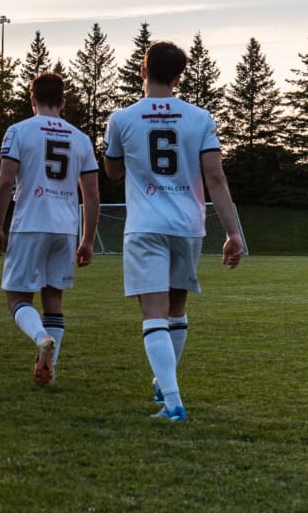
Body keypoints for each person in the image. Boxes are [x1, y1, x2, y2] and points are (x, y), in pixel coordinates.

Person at [104, 41, 243, 421]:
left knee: (152, 314)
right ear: (178, 77)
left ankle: (172, 401)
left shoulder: (122, 118)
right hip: (189, 224)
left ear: (142, 71)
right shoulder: (200, 118)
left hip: (146, 225)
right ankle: (162, 383)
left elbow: (113, 171)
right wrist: (234, 234)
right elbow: (215, 177)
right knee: (176, 310)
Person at [0, 72, 100, 385]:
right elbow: (91, 194)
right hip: (65, 227)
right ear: (63, 103)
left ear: (31, 98)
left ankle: (40, 338)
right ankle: (49, 368)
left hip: (30, 223)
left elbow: (6, 181)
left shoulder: (19, 131)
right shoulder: (80, 138)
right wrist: (87, 239)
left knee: (17, 297)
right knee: (54, 299)